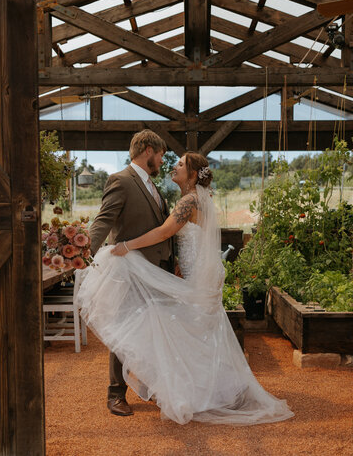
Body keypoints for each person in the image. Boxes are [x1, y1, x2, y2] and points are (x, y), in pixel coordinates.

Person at [79, 149, 293, 425]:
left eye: (180, 164)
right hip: (197, 269)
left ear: (192, 174)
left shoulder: (189, 200)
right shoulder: (193, 199)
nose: (174, 167)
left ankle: (199, 392)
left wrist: (126, 246)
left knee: (179, 326)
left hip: (198, 274)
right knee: (198, 331)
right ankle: (207, 388)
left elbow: (164, 231)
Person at [88, 129, 173, 417]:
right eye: (161, 154)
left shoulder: (152, 185)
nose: (162, 160)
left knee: (152, 331)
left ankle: (151, 387)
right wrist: (82, 253)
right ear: (148, 150)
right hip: (130, 271)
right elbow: (103, 220)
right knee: (123, 331)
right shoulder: (121, 181)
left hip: (156, 270)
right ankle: (116, 394)